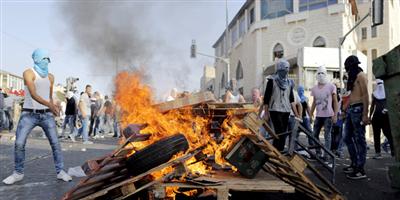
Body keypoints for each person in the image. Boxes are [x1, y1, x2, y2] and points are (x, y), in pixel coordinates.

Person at [2, 49, 72, 185]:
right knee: (19, 144)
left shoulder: (51, 76)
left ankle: (60, 171)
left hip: (47, 114)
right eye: (44, 58)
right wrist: (49, 105)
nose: (46, 61)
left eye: (48, 59)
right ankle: (18, 173)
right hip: (29, 114)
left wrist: (54, 106)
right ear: (36, 59)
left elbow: (49, 95)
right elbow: (33, 94)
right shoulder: (28, 73)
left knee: (55, 144)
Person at [342, 55, 369, 179]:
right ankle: (354, 163)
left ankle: (360, 169)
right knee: (346, 137)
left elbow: (365, 95)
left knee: (359, 139)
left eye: (348, 67)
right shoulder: (353, 77)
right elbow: (352, 95)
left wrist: (365, 115)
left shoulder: (361, 76)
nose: (347, 70)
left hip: (358, 109)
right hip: (351, 109)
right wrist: (344, 108)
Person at [263, 59, 296, 151]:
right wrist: (266, 113)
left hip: (286, 110)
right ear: (279, 69)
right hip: (275, 109)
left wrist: (297, 115)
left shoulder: (289, 82)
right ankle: (276, 150)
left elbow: (291, 100)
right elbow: (266, 98)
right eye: (284, 68)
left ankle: (279, 151)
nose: (286, 71)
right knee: (279, 131)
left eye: (287, 69)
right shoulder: (272, 81)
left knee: (283, 132)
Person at [310, 65, 338, 165]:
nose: (321, 75)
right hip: (318, 115)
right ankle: (318, 153)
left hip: (328, 115)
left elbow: (335, 101)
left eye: (323, 73)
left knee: (327, 136)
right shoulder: (314, 88)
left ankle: (327, 156)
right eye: (319, 73)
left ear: (326, 74)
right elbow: (314, 102)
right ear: (316, 75)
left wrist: (335, 115)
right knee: (314, 135)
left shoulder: (331, 86)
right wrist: (310, 114)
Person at [369, 79, 394, 158]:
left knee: (376, 135)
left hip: (376, 117)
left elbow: (372, 106)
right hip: (385, 116)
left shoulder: (374, 94)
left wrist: (370, 116)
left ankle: (378, 153)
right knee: (389, 134)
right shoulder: (388, 93)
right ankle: (394, 151)